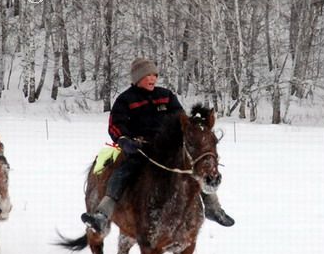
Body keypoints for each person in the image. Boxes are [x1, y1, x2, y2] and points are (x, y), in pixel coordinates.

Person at [81, 58, 235, 234]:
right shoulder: (125, 100)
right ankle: (103, 214)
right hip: (140, 149)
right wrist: (124, 140)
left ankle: (213, 208)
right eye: (148, 75)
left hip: (167, 149)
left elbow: (181, 119)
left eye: (154, 75)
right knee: (122, 173)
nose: (152, 78)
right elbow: (115, 124)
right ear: (138, 77)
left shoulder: (166, 95)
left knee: (194, 170)